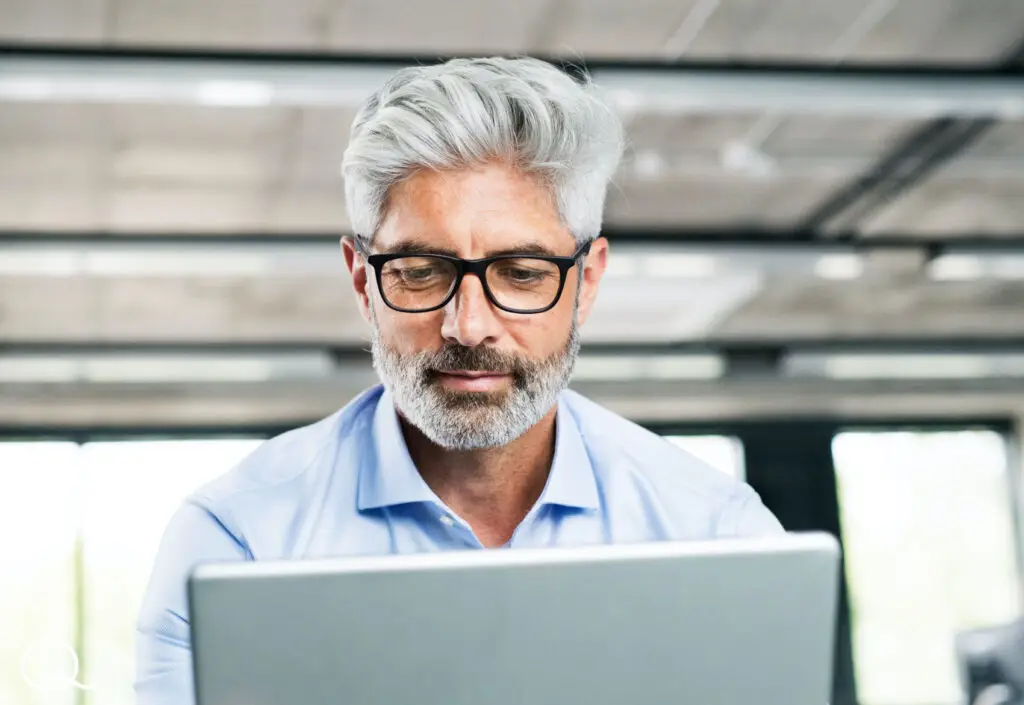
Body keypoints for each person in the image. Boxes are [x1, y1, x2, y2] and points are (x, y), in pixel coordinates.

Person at [134, 56, 783, 705]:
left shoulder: (715, 534)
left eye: (522, 273)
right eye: (420, 270)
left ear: (585, 281)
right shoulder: (236, 541)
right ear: (364, 281)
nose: (468, 326)